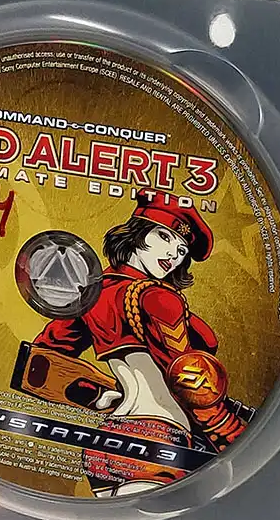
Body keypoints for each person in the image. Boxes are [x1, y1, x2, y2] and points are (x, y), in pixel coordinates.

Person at [34, 194, 251, 494]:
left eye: (182, 250)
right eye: (164, 236)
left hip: (104, 441)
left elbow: (41, 361)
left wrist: (98, 395)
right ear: (137, 232)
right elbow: (189, 381)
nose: (173, 254)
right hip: (158, 436)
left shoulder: (94, 292)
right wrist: (234, 435)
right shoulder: (159, 298)